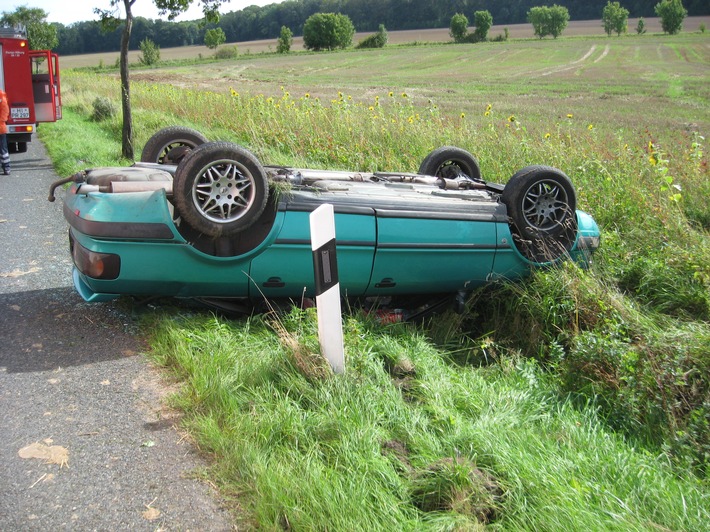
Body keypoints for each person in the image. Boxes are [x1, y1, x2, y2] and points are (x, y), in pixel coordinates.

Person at [0, 88, 10, 175]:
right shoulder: (2, 96)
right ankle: (6, 168)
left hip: (0, 128)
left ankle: (6, 168)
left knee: (3, 149)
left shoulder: (1, 96)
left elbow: (4, 111)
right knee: (3, 150)